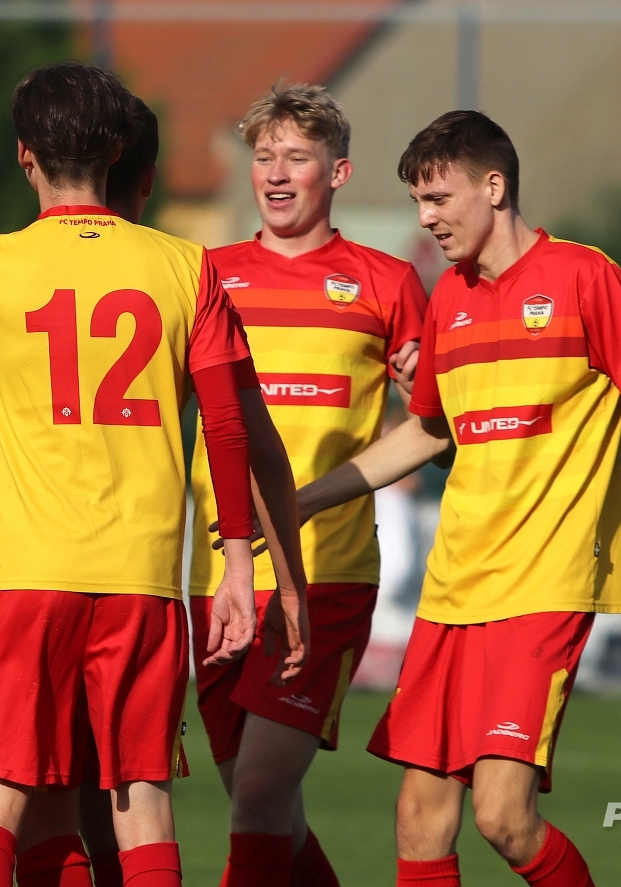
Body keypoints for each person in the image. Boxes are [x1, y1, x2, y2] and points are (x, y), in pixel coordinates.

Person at [0, 62, 309, 887]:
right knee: (141, 806)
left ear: (24, 155)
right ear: (114, 152)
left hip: (23, 577)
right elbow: (226, 425)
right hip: (140, 579)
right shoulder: (188, 266)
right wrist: (239, 565)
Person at [292, 110, 621, 887]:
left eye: (438, 198)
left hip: (543, 586)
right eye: (418, 202)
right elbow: (427, 433)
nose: (427, 218)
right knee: (419, 820)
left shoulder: (585, 276)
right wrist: (305, 500)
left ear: (493, 186)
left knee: (502, 817)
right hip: (454, 587)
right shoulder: (449, 297)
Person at [184, 83, 429, 887]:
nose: (277, 173)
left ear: (339, 172)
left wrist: (421, 387)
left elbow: (434, 430)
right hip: (216, 579)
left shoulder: (388, 282)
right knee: (266, 808)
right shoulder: (204, 276)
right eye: (264, 157)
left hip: (324, 576)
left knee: (257, 798)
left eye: (296, 157)